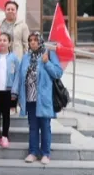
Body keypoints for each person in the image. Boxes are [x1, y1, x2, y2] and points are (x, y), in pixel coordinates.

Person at [12, 32, 63, 165]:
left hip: (44, 98)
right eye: (30, 40)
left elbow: (58, 73)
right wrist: (15, 93)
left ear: (40, 41)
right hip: (30, 98)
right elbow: (20, 76)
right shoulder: (26, 57)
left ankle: (46, 153)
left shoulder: (49, 55)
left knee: (45, 126)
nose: (33, 42)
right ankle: (33, 152)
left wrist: (47, 63)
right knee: (33, 126)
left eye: (35, 40)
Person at [0, 32, 19, 148]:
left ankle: (5, 136)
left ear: (9, 43)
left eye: (5, 40)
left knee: (6, 114)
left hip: (8, 90)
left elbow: (17, 75)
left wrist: (14, 91)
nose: (2, 42)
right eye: (0, 40)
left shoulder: (14, 58)